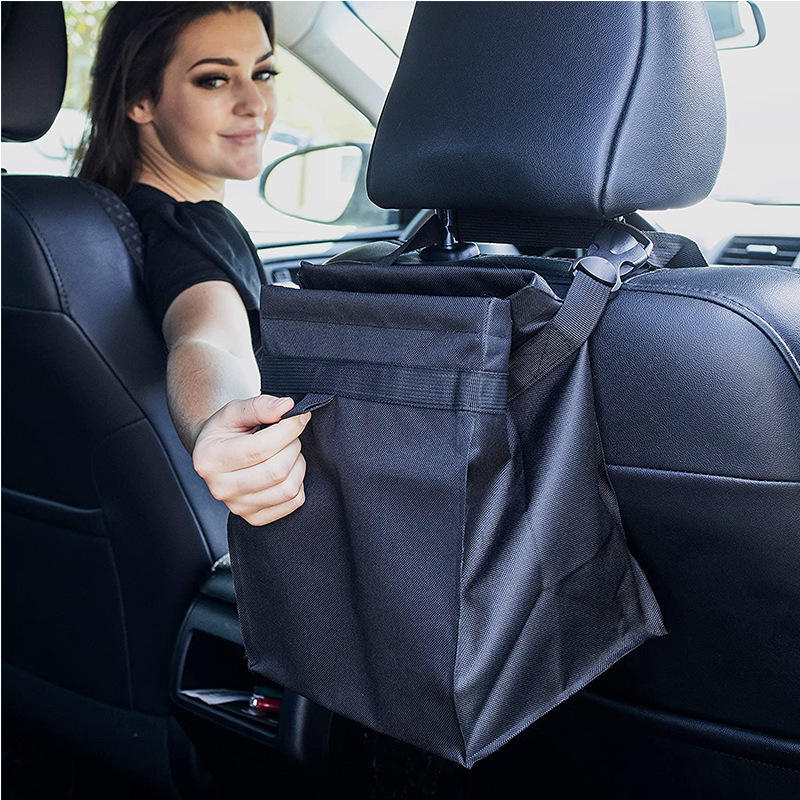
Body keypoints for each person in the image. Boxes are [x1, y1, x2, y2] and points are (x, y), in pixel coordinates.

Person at [74, 1, 310, 527]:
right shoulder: (189, 230)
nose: (255, 103)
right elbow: (207, 335)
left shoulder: (95, 217)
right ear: (140, 100)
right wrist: (218, 426)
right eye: (213, 80)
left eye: (264, 73)